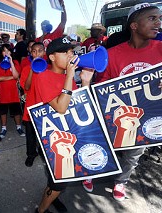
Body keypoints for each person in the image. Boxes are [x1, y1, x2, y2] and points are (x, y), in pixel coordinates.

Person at [84, 3, 162, 201]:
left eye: (159, 18)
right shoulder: (112, 54)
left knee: (133, 155)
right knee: (104, 145)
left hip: (147, 118)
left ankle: (121, 182)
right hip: (116, 116)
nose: (158, 23)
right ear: (134, 26)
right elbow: (102, 86)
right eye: (152, 18)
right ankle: (92, 172)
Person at [34, 37, 94, 213]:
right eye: (65, 52)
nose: (71, 56)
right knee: (59, 181)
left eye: (72, 52)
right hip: (51, 139)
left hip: (69, 134)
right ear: (52, 57)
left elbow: (79, 106)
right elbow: (61, 107)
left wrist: (85, 82)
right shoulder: (43, 76)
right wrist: (70, 76)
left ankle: (53, 196)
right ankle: (40, 210)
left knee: (58, 179)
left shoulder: (69, 78)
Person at [20, 42, 47, 167]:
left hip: (45, 105)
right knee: (30, 134)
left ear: (44, 52)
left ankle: (44, 153)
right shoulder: (26, 69)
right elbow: (26, 86)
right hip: (31, 106)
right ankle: (31, 154)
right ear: (31, 53)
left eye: (40, 51)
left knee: (45, 132)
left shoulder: (49, 68)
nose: (37, 54)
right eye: (34, 51)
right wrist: (32, 68)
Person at [0, 43, 25, 139]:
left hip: (14, 92)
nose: (7, 53)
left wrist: (11, 62)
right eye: (4, 51)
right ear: (1, 52)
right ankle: (3, 128)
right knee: (3, 111)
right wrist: (12, 77)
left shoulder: (15, 62)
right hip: (2, 92)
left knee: (16, 111)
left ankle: (19, 127)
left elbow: (17, 75)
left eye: (8, 51)